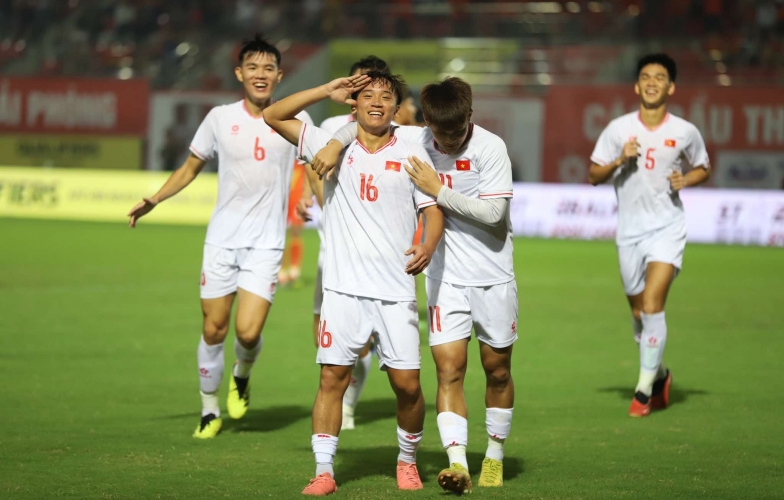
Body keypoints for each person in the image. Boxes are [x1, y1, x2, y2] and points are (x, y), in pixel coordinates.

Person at [313, 77, 517, 493]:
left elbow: (496, 213)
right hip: (445, 278)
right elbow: (364, 124)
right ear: (427, 123)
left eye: (456, 131)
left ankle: (494, 455)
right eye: (440, 132)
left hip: (494, 276)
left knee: (497, 370)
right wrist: (336, 142)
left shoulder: (491, 148)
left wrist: (437, 190)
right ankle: (457, 463)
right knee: (448, 370)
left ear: (469, 118)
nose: (448, 139)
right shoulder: (418, 138)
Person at [263, 71, 445, 495]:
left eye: (387, 96)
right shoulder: (330, 142)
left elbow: (432, 208)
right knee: (332, 378)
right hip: (342, 290)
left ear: (398, 107)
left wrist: (429, 244)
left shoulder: (414, 146)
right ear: (354, 103)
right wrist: (327, 90)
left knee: (408, 385)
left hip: (396, 289)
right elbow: (273, 114)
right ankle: (324, 470)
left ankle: (406, 460)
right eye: (368, 95)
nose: (378, 102)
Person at [127, 35, 313, 438]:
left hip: (266, 243)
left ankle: (241, 374)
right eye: (253, 67)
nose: (260, 75)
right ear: (239, 73)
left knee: (247, 332)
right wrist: (155, 199)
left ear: (279, 75)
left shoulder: (296, 120)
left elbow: (314, 164)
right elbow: (191, 167)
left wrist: (311, 197)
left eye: (268, 69)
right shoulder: (219, 118)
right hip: (222, 241)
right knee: (214, 329)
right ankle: (209, 410)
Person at [588, 53, 710, 417]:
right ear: (637, 85)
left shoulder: (685, 131)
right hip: (629, 233)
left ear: (671, 87)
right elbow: (594, 175)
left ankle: (642, 392)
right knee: (640, 314)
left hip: (668, 229)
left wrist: (685, 179)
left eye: (660, 77)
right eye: (646, 76)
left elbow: (703, 167)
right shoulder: (618, 129)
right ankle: (660, 375)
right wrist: (618, 160)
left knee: (654, 306)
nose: (652, 82)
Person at [313, 55, 391, 431]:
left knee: (358, 344)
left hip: (377, 255)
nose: (367, 93)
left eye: (376, 87)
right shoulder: (329, 126)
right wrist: (318, 201)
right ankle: (333, 401)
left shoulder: (394, 129)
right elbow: (315, 169)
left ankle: (346, 405)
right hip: (331, 247)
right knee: (325, 340)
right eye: (360, 84)